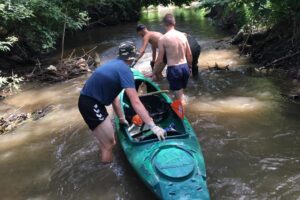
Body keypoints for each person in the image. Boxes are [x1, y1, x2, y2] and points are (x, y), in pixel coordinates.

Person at [78, 41, 165, 163]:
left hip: (89, 101)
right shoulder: (125, 71)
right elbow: (136, 102)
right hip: (91, 104)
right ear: (131, 57)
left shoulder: (115, 64)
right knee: (109, 143)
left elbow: (114, 97)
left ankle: (103, 154)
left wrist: (121, 118)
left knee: (107, 141)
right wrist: (152, 126)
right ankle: (107, 173)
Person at [152, 13, 193, 102]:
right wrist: (189, 67)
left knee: (180, 99)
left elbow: (159, 60)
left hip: (174, 69)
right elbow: (189, 55)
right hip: (185, 67)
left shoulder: (163, 39)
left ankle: (182, 114)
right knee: (181, 93)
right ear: (174, 23)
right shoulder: (183, 36)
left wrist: (154, 72)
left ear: (164, 24)